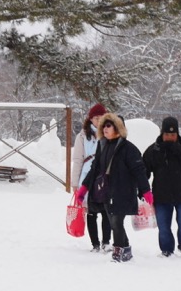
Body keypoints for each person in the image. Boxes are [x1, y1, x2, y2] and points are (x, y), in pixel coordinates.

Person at [75, 113, 152, 263]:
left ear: (118, 128)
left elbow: (139, 171)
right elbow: (94, 168)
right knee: (114, 223)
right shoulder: (102, 145)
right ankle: (126, 249)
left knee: (116, 222)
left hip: (123, 191)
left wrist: (145, 190)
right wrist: (84, 187)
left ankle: (118, 252)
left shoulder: (129, 148)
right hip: (106, 192)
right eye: (103, 125)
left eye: (108, 125)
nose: (105, 128)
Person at [142, 116, 181, 257]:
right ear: (161, 133)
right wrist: (142, 189)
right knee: (163, 226)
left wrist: (175, 148)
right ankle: (166, 249)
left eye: (173, 135)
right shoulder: (153, 150)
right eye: (167, 134)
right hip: (161, 194)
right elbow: (144, 171)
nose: (170, 137)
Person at [70, 102, 111, 252]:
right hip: (88, 176)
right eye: (96, 118)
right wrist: (75, 182)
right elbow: (77, 159)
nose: (98, 121)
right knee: (91, 211)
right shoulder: (82, 136)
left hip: (106, 175)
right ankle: (95, 243)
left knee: (107, 210)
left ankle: (106, 241)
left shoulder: (109, 132)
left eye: (101, 117)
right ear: (91, 119)